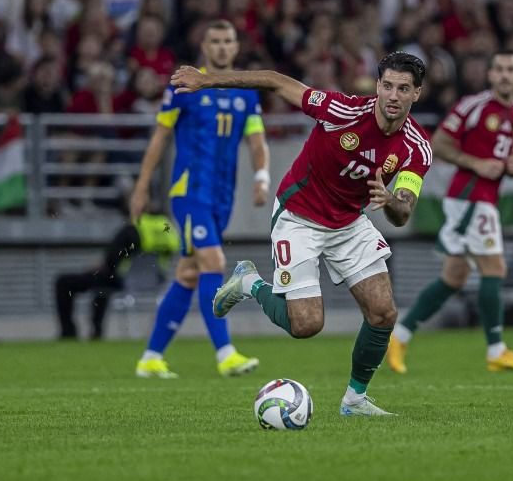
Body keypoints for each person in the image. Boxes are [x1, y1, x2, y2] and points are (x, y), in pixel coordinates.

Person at [180, 51, 434, 417]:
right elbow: (275, 79)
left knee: (383, 313)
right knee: (307, 325)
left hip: (348, 222)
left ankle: (355, 400)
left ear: (417, 94)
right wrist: (207, 80)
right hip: (299, 216)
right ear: (377, 86)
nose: (393, 96)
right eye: (388, 86)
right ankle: (250, 281)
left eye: (403, 88)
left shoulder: (416, 147)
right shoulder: (341, 111)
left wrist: (392, 201)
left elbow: (403, 212)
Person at [129, 20, 270, 379]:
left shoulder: (246, 93)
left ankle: (150, 357)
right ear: (205, 47)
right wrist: (142, 185)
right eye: (215, 41)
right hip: (190, 192)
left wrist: (261, 176)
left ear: (236, 47)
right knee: (213, 261)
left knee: (189, 273)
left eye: (228, 41)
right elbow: (160, 138)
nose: (222, 47)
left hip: (223, 195)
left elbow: (256, 140)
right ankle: (226, 353)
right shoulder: (185, 86)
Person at [386, 51, 513, 374]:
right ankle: (496, 349)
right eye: (499, 69)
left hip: (485, 199)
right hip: (468, 198)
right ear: (491, 75)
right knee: (494, 267)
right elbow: (438, 143)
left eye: (511, 69)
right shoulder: (474, 106)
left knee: (454, 277)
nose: (505, 75)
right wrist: (475, 163)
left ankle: (398, 336)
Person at [55, 212, 178, 340]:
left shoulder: (134, 227)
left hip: (123, 279)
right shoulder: (167, 227)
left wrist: (98, 267)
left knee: (66, 282)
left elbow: (112, 259)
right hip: (155, 280)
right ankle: (96, 332)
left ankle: (72, 332)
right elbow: (176, 247)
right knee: (102, 284)